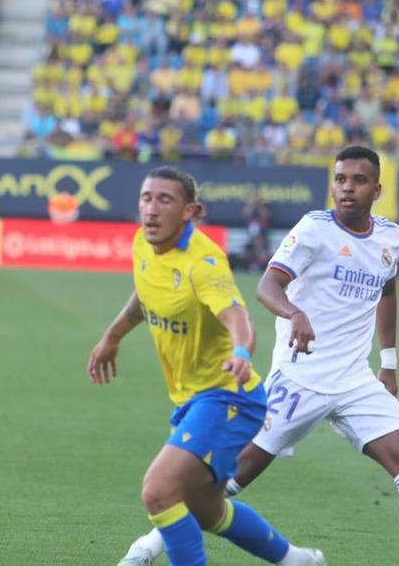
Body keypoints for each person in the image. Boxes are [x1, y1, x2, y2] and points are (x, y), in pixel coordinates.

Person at [118, 147, 399, 566]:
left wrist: (390, 363)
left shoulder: (388, 237)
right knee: (229, 479)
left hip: (356, 380)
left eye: (358, 181)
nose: (347, 188)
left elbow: (387, 290)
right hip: (298, 378)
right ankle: (150, 544)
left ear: (376, 189)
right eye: (340, 179)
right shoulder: (314, 229)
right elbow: (267, 286)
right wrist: (295, 312)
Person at [89, 167, 324, 566]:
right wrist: (112, 336)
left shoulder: (204, 261)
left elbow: (238, 317)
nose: (152, 208)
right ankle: (295, 560)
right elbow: (145, 295)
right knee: (207, 511)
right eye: (147, 198)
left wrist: (243, 353)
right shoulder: (143, 245)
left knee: (159, 491)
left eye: (165, 199)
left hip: (229, 397)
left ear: (189, 211)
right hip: (191, 399)